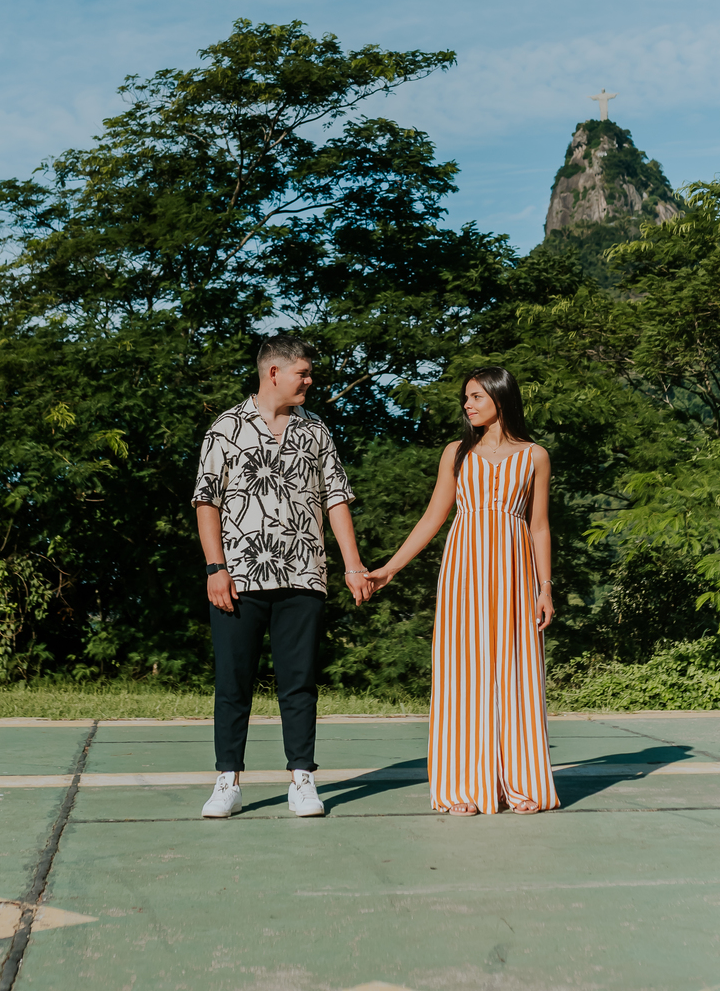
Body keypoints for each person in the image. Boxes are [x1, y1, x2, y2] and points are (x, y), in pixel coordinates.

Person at [365, 367, 559, 816]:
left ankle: (521, 783)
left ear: (500, 398)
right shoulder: (456, 452)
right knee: (464, 677)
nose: (467, 405)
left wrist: (545, 588)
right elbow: (433, 517)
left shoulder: (535, 456)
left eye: (475, 397)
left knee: (515, 673)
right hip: (464, 572)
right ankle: (463, 789)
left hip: (515, 575)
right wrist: (390, 569)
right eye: (465, 399)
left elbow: (539, 525)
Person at [192, 334, 370, 819]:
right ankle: (227, 780)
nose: (310, 381)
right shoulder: (225, 428)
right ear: (274, 373)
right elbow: (206, 501)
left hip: (304, 573)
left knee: (299, 682)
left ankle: (302, 779)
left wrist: (353, 565)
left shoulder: (316, 430)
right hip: (239, 578)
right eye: (304, 373)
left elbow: (336, 499)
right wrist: (216, 568)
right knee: (233, 682)